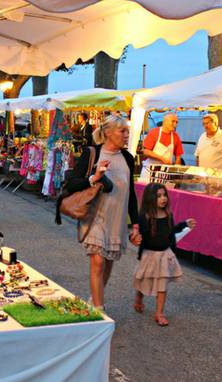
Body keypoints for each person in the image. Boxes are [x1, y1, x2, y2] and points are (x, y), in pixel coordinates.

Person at [66, 115, 139, 310]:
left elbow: (131, 192)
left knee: (107, 263)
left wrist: (136, 225)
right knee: (98, 262)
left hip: (117, 221)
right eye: (122, 131)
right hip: (94, 218)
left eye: (127, 131)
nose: (126, 135)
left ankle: (95, 297)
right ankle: (99, 310)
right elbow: (72, 183)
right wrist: (93, 178)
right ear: (107, 132)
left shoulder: (127, 158)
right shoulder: (92, 153)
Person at [133, 183, 197, 326]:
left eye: (164, 195)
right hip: (149, 254)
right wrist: (136, 238)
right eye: (158, 196)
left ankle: (159, 313)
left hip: (164, 255)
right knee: (145, 280)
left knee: (163, 284)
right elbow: (139, 235)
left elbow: (171, 231)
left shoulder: (168, 214)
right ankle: (139, 296)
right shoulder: (145, 216)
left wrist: (184, 224)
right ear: (150, 199)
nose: (163, 199)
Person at [140, 113, 184, 179]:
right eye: (173, 121)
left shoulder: (176, 136)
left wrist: (175, 172)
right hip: (149, 172)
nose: (175, 124)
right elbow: (146, 151)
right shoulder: (154, 132)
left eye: (177, 122)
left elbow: (178, 157)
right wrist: (161, 158)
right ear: (165, 121)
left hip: (165, 174)